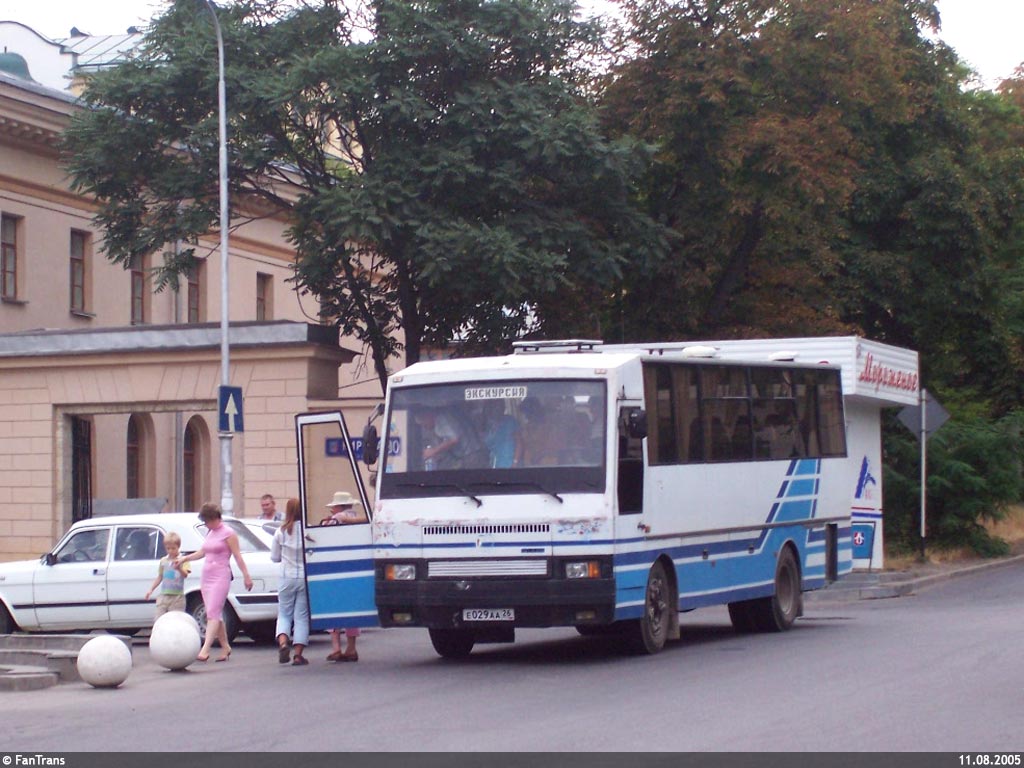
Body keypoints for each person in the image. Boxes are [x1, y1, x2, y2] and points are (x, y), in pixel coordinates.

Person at [174, 502, 253, 662]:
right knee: (214, 613)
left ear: (214, 518)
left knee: (213, 613)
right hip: (207, 575)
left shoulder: (229, 533)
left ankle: (205, 648)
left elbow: (237, 556)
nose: (206, 524)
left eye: (206, 520)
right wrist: (185, 558)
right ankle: (225, 646)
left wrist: (246, 575)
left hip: (220, 575)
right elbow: (203, 551)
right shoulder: (210, 533)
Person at [320, 491, 364, 662]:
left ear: (339, 506)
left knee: (333, 606)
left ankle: (336, 647)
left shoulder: (337, 518)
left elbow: (322, 536)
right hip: (354, 565)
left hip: (334, 565)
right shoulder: (359, 518)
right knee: (351, 608)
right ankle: (351, 648)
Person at [271, 498, 309, 666]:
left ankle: (283, 643)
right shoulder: (307, 532)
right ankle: (298, 655)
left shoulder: (281, 531)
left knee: (284, 613)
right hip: (304, 577)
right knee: (301, 616)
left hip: (286, 576)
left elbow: (274, 557)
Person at [144, 531, 190, 616]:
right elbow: (160, 576)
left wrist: (179, 568)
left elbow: (185, 575)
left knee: (175, 619)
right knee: (159, 618)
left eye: (173, 548)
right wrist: (151, 589)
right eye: (168, 548)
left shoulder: (183, 559)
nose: (170, 551)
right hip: (164, 595)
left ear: (178, 547)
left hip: (177, 596)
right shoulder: (163, 561)